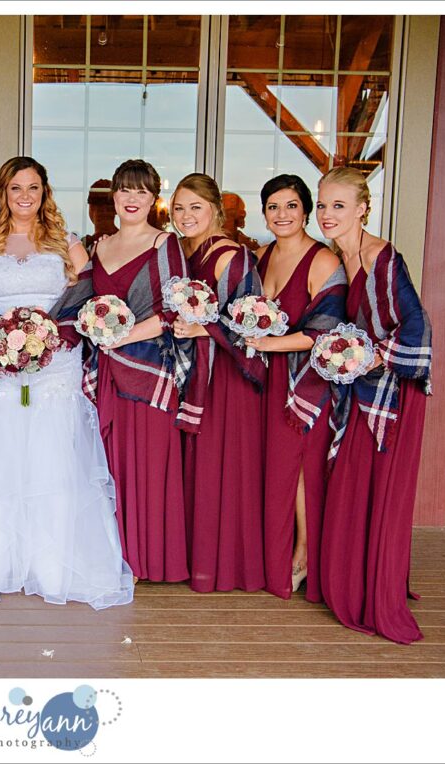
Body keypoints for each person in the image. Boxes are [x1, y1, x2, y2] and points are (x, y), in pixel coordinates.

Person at [0, 156, 134, 608]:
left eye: (33, 188)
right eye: (16, 188)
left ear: (44, 193)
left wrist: (49, 338)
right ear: (4, 193)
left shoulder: (66, 243)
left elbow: (85, 302)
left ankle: (53, 567)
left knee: (53, 459)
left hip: (57, 368)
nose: (25, 196)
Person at [316, 167, 432, 644]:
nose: (327, 214)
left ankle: (375, 591)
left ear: (363, 208)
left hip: (392, 393)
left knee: (378, 488)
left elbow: (416, 325)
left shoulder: (382, 257)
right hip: (358, 387)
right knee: (353, 483)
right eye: (323, 205)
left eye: (338, 205)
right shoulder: (335, 258)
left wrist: (367, 357)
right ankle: (350, 580)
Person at [88, 159, 190, 583]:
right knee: (108, 463)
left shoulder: (165, 244)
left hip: (149, 369)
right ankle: (115, 556)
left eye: (142, 192)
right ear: (114, 196)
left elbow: (175, 308)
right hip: (105, 372)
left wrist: (122, 337)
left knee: (146, 465)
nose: (132, 199)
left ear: (154, 200)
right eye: (125, 190)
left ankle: (146, 558)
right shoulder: (98, 247)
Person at [245, 174, 346, 601]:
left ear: (305, 211)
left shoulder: (321, 261)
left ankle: (303, 555)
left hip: (305, 383)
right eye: (273, 207)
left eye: (291, 206)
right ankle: (273, 552)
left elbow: (327, 330)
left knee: (301, 469)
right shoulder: (262, 255)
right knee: (274, 467)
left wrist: (268, 343)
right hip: (267, 380)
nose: (282, 214)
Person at [170, 173, 268, 593]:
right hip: (192, 373)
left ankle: (223, 563)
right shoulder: (179, 252)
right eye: (179, 208)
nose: (186, 215)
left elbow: (252, 324)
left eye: (196, 207)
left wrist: (203, 329)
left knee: (217, 466)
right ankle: (193, 557)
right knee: (194, 465)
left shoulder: (232, 257)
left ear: (215, 210)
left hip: (225, 377)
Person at [83, 179, 117, 252]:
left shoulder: (82, 245)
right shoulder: (83, 244)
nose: (102, 210)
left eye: (108, 204)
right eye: (97, 203)